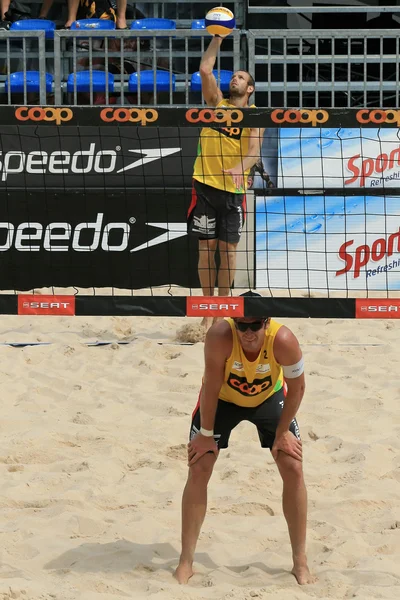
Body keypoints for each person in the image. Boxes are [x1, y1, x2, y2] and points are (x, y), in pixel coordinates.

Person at [174, 292, 316, 586]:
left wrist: (282, 432)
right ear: (234, 322)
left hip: (268, 398)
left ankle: (300, 562)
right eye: (242, 326)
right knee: (199, 466)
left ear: (267, 322)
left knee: (293, 466)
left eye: (255, 326)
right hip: (223, 400)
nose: (248, 333)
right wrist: (205, 435)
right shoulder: (219, 335)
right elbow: (211, 387)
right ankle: (186, 561)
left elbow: (298, 388)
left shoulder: (284, 340)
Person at [187, 36, 264, 331]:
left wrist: (239, 168)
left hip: (234, 191)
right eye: (233, 75)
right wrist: (217, 38)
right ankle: (208, 311)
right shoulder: (215, 103)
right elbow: (206, 70)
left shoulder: (255, 115)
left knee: (228, 252)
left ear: (250, 88)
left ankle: (223, 309)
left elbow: (254, 151)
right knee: (206, 251)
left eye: (241, 77)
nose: (235, 79)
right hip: (205, 185)